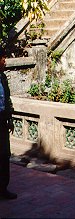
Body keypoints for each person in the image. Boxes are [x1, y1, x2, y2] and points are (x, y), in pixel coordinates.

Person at [0, 45, 17, 200]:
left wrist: (10, 119)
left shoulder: (3, 78)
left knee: (4, 155)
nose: (4, 61)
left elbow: (7, 99)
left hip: (2, 121)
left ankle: (3, 188)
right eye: (2, 58)